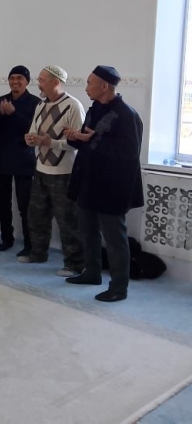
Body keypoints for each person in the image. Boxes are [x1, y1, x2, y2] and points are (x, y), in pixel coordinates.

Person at [66, 66, 144, 302]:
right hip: (89, 182)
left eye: (90, 83)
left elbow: (129, 153)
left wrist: (92, 140)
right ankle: (92, 273)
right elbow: (88, 142)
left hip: (112, 186)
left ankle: (119, 288)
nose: (86, 87)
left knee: (114, 239)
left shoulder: (126, 115)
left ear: (104, 86)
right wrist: (76, 138)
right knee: (88, 232)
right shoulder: (95, 109)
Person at [19, 65, 86, 277]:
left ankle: (75, 264)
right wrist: (30, 139)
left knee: (68, 220)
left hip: (64, 173)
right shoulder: (40, 105)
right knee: (37, 216)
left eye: (42, 80)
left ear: (56, 81)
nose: (38, 84)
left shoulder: (73, 106)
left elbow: (78, 143)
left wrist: (51, 143)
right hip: (40, 169)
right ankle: (38, 253)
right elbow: (34, 131)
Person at [0, 66, 41, 254]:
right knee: (3, 202)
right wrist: (1, 114)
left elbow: (33, 130)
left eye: (19, 78)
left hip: (23, 158)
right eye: (12, 78)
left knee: (24, 204)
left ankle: (29, 244)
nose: (15, 81)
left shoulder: (36, 103)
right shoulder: (0, 101)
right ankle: (6, 238)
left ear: (27, 81)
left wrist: (13, 113)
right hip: (2, 156)